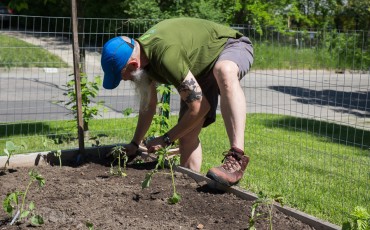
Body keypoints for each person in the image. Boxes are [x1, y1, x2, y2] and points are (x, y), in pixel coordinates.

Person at [101, 17, 253, 186]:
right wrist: (135, 144)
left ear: (134, 65)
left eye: (124, 76)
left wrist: (166, 139)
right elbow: (149, 105)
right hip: (200, 71)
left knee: (224, 71)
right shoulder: (144, 60)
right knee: (186, 134)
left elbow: (200, 107)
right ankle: (190, 185)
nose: (125, 80)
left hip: (230, 47)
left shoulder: (165, 55)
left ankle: (237, 156)